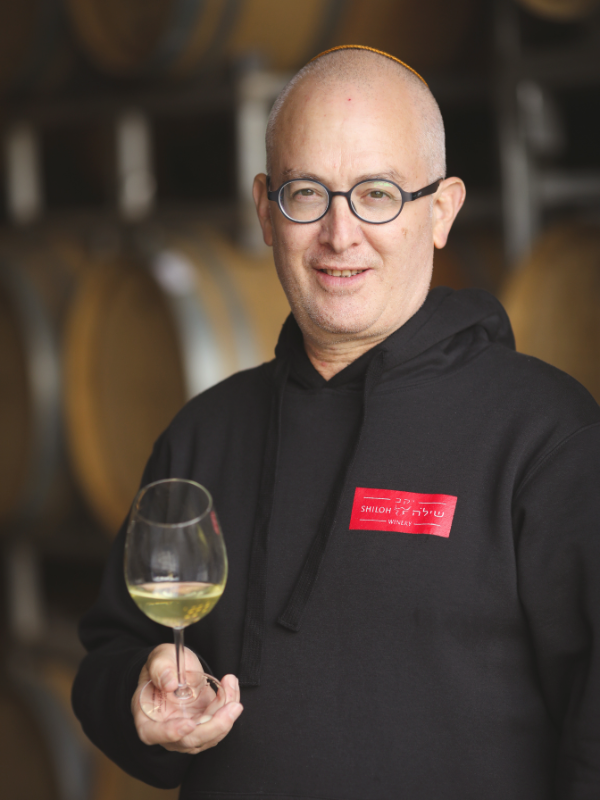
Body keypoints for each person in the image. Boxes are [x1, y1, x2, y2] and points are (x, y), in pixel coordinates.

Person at [72, 45, 600, 799]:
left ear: (442, 210)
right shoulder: (204, 433)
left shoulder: (547, 437)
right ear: (264, 209)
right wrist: (138, 694)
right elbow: (111, 649)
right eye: (307, 194)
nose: (340, 234)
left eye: (378, 193)